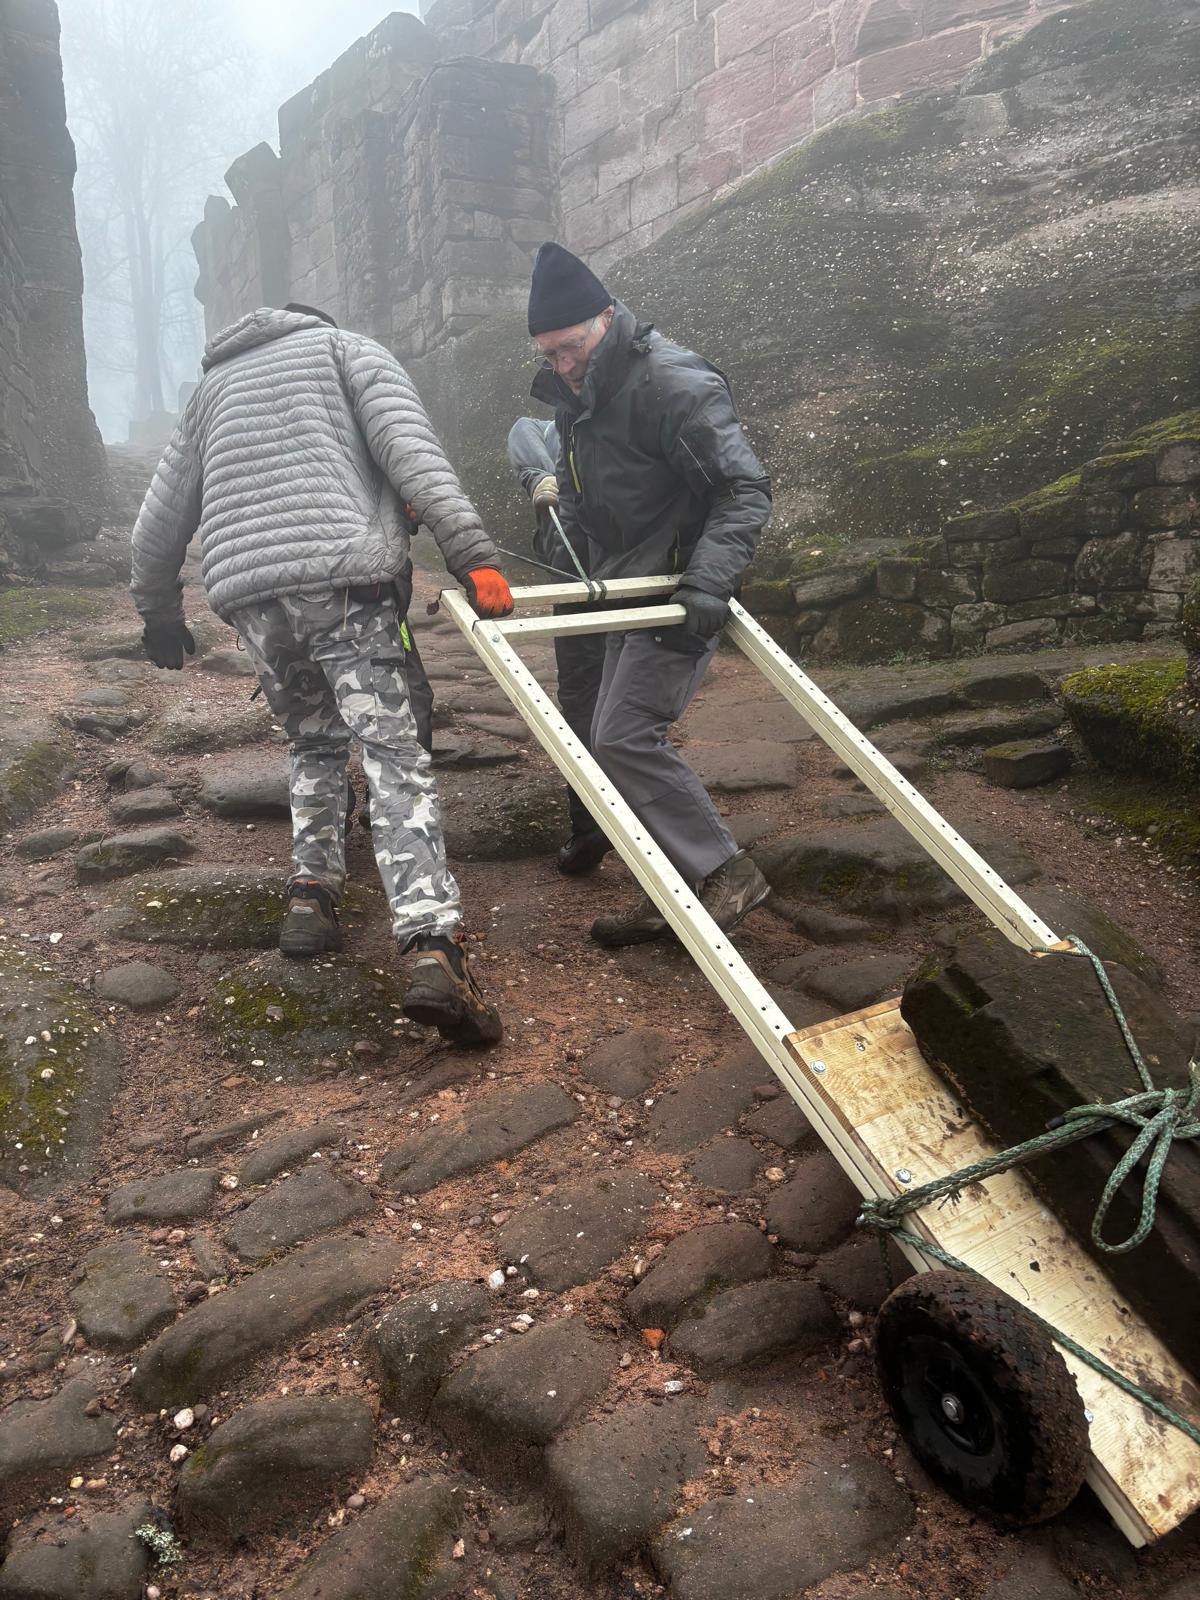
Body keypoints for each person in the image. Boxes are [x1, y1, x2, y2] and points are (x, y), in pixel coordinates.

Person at [129, 302, 511, 1045]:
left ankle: (311, 895)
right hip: (345, 582)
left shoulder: (210, 393)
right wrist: (472, 553)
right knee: (393, 751)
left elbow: (159, 519)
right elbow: (412, 454)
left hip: (252, 598)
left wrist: (157, 611)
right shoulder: (346, 351)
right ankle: (431, 943)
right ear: (315, 324)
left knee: (312, 741)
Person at [527, 243, 773, 948]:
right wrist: (566, 561)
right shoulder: (575, 397)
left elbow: (742, 490)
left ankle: (725, 872)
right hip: (622, 587)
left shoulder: (671, 381)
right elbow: (580, 498)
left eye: (571, 347)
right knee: (603, 743)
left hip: (677, 588)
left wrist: (708, 580)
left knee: (622, 735)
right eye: (549, 354)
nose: (562, 365)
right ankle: (674, 888)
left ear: (606, 318)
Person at [506, 416, 610, 875]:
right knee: (626, 703)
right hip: (633, 565)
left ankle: (592, 825)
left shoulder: (556, 429)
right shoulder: (563, 427)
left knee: (586, 699)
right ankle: (619, 823)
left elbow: (523, 429)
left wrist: (541, 480)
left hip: (578, 565)